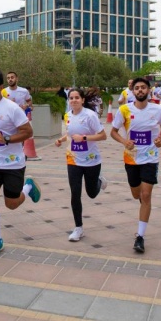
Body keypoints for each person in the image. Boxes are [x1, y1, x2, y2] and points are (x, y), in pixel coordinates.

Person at [0, 70, 41, 258]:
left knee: (11, 204)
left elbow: (28, 131)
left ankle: (28, 187)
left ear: (0, 88)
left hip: (13, 164)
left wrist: (7, 138)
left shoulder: (12, 108)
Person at [110, 77, 161, 254]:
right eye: (137, 88)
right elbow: (113, 132)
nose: (140, 90)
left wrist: (160, 139)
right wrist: (124, 141)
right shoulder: (124, 109)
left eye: (143, 87)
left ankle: (140, 236)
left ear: (149, 90)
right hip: (131, 158)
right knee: (137, 194)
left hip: (150, 158)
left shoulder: (157, 110)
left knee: (146, 194)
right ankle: (142, 200)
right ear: (132, 91)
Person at [55, 88, 108, 242]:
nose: (74, 100)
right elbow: (71, 134)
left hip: (92, 160)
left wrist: (84, 138)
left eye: (77, 97)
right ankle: (78, 228)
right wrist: (61, 139)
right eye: (71, 98)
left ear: (83, 100)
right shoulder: (68, 116)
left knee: (91, 193)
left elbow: (103, 135)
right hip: (73, 160)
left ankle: (99, 182)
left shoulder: (90, 116)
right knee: (75, 193)